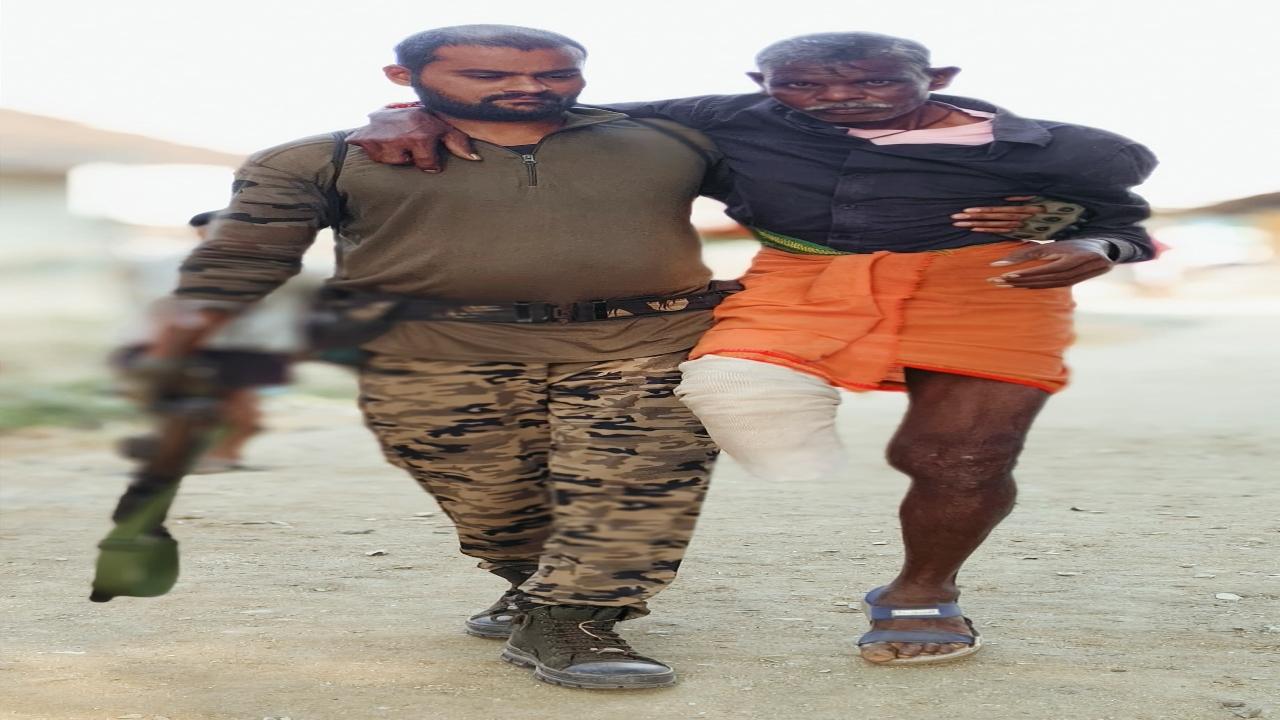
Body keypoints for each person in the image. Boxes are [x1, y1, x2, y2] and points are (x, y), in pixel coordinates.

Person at [351, 31, 1156, 667]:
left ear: (935, 78)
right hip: (802, 278)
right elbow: (541, 114)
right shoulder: (725, 120)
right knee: (728, 394)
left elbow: (1124, 216)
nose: (837, 101)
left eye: (872, 83)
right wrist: (409, 115)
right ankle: (557, 581)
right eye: (803, 86)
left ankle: (922, 589)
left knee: (962, 458)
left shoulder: (1058, 147)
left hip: (990, 286)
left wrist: (1102, 245)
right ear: (761, 84)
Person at [112, 211, 315, 474]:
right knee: (185, 401)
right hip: (190, 346)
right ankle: (180, 447)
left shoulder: (283, 267)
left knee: (237, 403)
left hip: (246, 349)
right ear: (200, 234)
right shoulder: (176, 265)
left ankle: (222, 452)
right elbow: (164, 307)